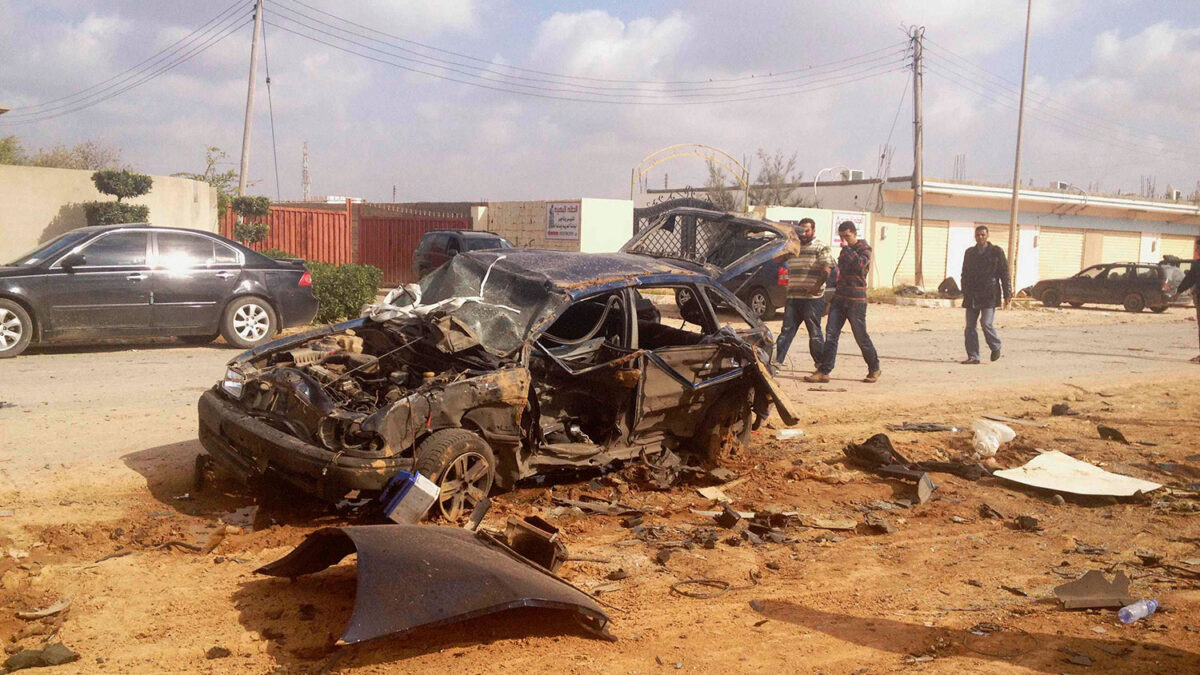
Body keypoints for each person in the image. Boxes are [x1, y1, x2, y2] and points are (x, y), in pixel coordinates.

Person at [805, 221, 881, 383]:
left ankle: (874, 368)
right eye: (841, 237)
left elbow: (860, 266)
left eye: (847, 236)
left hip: (856, 301)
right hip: (840, 299)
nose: (844, 240)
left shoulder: (864, 249)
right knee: (831, 335)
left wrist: (846, 248)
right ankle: (824, 371)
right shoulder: (844, 252)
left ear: (854, 234)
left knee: (861, 336)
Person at [775, 218, 835, 368]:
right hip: (793, 297)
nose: (804, 233)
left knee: (814, 333)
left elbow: (828, 268)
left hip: (812, 299)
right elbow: (776, 259)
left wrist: (816, 286)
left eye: (807, 230)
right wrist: (787, 243)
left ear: (813, 230)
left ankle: (820, 366)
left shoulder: (820, 247)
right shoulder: (794, 247)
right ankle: (775, 362)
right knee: (786, 332)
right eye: (801, 230)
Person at [960, 225, 1012, 364]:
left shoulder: (996, 252)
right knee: (970, 326)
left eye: (983, 235)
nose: (980, 237)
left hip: (990, 293)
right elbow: (964, 274)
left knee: (986, 322)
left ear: (987, 235)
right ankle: (973, 356)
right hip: (972, 295)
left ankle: (995, 346)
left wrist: (1008, 293)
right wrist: (964, 290)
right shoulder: (969, 253)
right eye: (978, 235)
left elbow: (1004, 273)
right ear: (975, 236)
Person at [1177, 238, 1200, 363]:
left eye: (1197, 248)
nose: (1196, 250)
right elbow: (1189, 279)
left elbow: (1189, 279)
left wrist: (1179, 291)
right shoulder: (1196, 264)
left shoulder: (1197, 264)